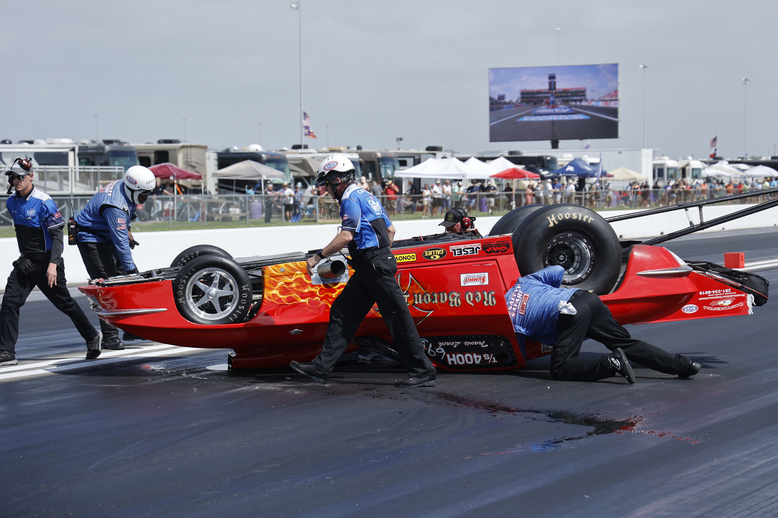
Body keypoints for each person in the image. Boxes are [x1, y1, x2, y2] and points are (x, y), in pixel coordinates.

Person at [290, 154, 437, 387]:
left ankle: (423, 371)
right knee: (342, 311)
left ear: (337, 180)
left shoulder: (349, 199)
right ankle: (321, 367)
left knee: (398, 318)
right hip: (373, 265)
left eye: (327, 184)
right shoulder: (367, 196)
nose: (326, 190)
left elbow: (346, 235)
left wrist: (317, 257)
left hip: (373, 265)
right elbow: (391, 230)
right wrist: (380, 254)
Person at [505, 265, 701, 383]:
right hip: (587, 299)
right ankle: (684, 365)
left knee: (560, 368)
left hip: (571, 313)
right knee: (625, 344)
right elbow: (557, 270)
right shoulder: (523, 282)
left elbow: (518, 358)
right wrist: (551, 294)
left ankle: (611, 363)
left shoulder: (509, 320)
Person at [1, 158, 102, 365]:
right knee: (9, 302)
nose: (16, 181)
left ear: (31, 177)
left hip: (48, 263)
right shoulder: (11, 202)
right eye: (12, 177)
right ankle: (6, 352)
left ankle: (92, 336)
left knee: (65, 304)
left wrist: (53, 264)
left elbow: (57, 236)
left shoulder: (44, 202)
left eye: (20, 177)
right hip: (26, 263)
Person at [75, 165, 155, 350]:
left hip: (106, 236)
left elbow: (126, 217)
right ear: (133, 189)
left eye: (148, 193)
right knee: (107, 285)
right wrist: (132, 271)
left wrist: (128, 230)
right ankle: (110, 337)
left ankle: (130, 328)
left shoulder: (126, 186)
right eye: (143, 194)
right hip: (92, 241)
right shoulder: (115, 206)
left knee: (125, 282)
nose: (146, 198)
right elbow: (121, 245)